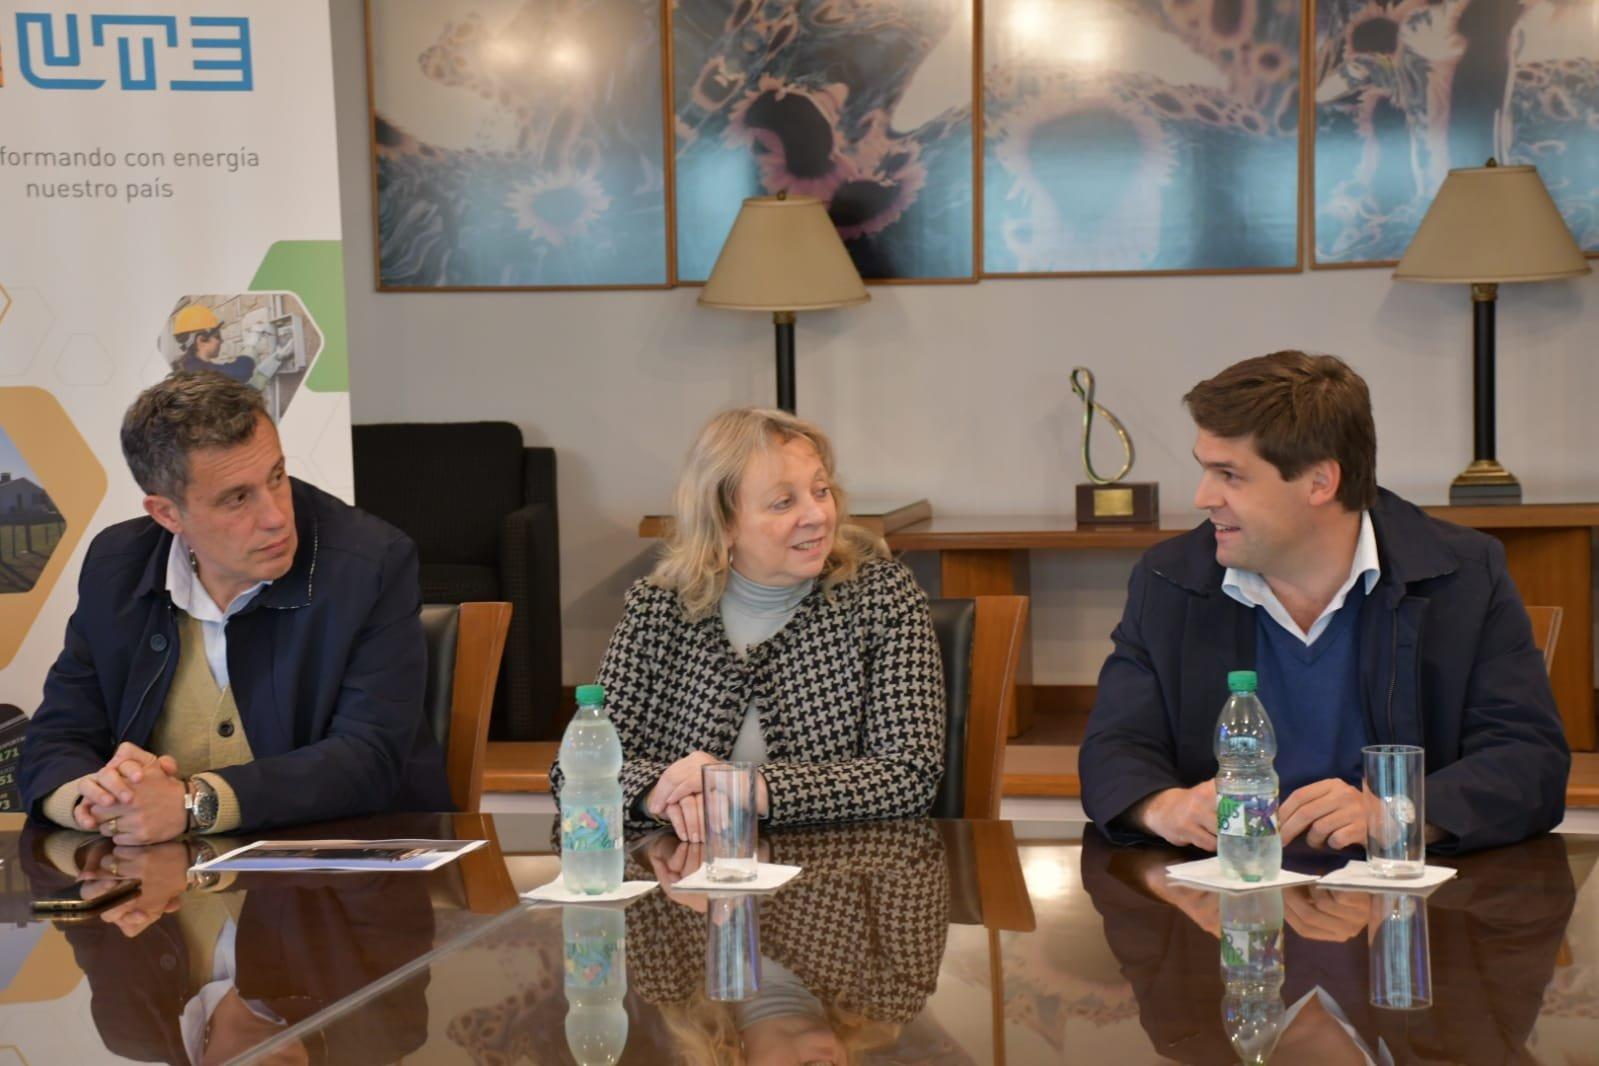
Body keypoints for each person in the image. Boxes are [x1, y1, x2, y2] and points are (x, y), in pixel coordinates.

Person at [1080, 351, 1570, 855]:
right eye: (1205, 470)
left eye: (1229, 474)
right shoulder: (1170, 578)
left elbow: (1529, 761)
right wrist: (1168, 808)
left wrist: (1394, 814)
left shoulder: (1463, 575)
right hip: (1226, 901)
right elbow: (1113, 749)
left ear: (1320, 481)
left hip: (1404, 910)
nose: (1204, 497)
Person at [19, 371, 451, 843]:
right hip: (162, 888)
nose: (275, 517)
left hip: (335, 884)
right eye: (237, 498)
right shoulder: (116, 566)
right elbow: (56, 738)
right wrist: (96, 801)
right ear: (166, 514)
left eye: (277, 476)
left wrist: (192, 803)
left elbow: (369, 758)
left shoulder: (371, 563)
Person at [552, 407, 945, 840]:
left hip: (833, 887)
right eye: (783, 502)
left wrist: (748, 788)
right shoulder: (658, 608)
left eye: (821, 490)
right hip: (685, 885)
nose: (816, 515)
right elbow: (577, 773)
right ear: (723, 523)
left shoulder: (880, 597)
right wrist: (656, 793)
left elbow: (910, 774)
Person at [172, 303, 255, 384]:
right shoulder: (200, 373)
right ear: (201, 340)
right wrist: (249, 346)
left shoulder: (186, 368)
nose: (221, 341)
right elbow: (242, 371)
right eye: (217, 336)